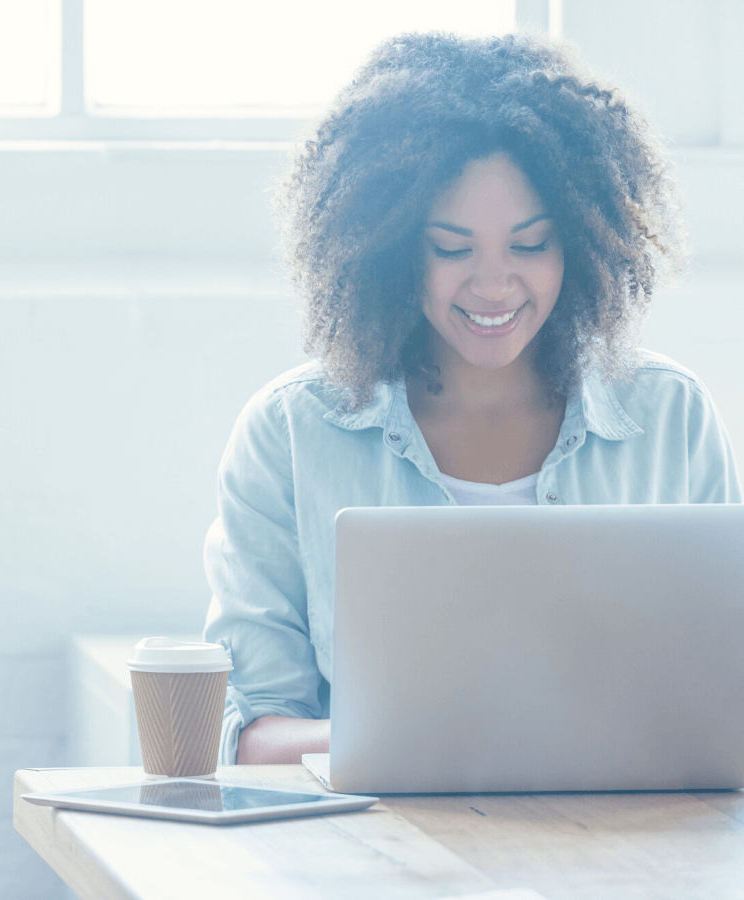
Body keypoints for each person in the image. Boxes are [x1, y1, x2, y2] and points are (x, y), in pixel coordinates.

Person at [203, 31, 742, 766]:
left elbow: (723, 698)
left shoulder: (672, 420)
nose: (492, 285)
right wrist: (439, 736)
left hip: (628, 831)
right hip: (380, 836)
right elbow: (251, 736)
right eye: (452, 248)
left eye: (530, 244)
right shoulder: (290, 433)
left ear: (580, 242)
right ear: (392, 247)